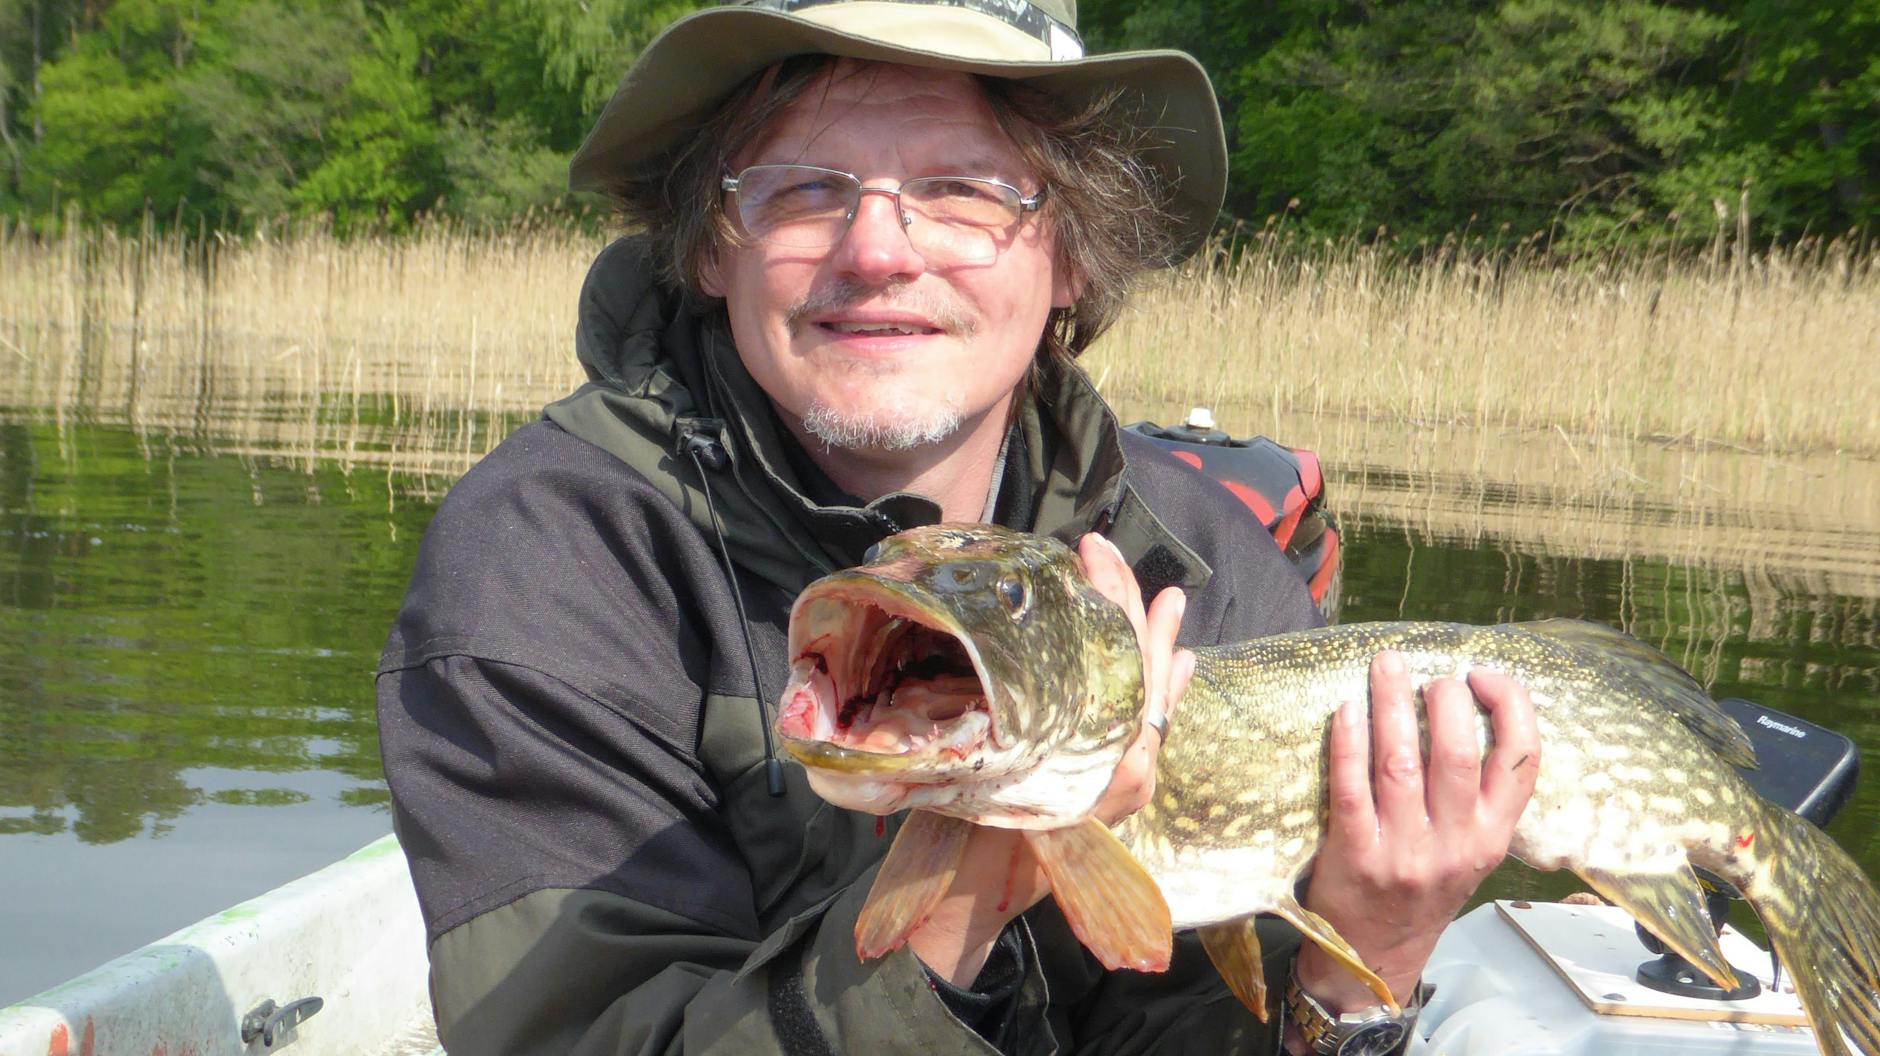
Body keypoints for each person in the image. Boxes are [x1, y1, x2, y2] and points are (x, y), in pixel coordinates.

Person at [375, 1, 1541, 1053]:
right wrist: (968, 886)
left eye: (962, 190)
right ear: (712, 248)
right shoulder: (552, 557)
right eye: (803, 188)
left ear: (1073, 249)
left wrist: (1365, 959)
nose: (877, 251)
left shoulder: (1194, 559)